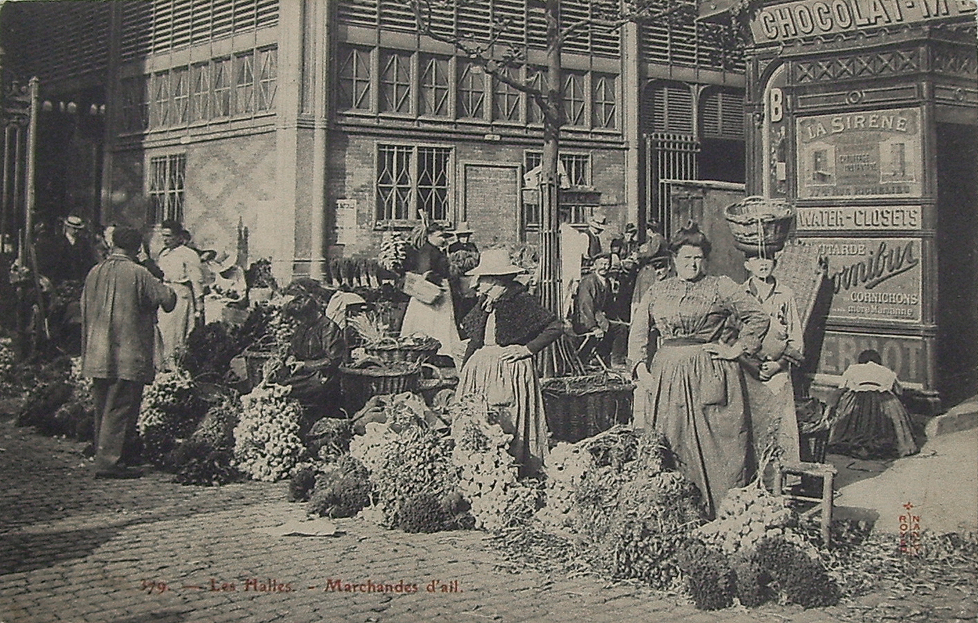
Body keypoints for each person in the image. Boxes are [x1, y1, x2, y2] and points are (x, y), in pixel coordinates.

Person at [628, 222, 770, 519]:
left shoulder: (720, 286)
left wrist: (736, 349)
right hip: (668, 375)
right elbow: (639, 331)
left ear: (704, 259)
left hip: (711, 372)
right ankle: (675, 513)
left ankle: (720, 512)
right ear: (674, 259)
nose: (692, 264)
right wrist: (640, 366)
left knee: (717, 443)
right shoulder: (657, 290)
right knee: (671, 441)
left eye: (697, 259)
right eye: (685, 258)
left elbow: (757, 316)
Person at [457, 249, 564, 476]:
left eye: (482, 278)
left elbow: (555, 327)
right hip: (481, 369)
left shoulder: (521, 301)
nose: (478, 284)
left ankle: (514, 466)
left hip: (509, 370)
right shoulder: (485, 303)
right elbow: (475, 340)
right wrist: (465, 368)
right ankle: (478, 465)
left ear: (495, 279)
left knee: (506, 416)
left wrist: (526, 349)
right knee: (477, 417)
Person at [81, 227, 176, 478]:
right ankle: (109, 463)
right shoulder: (139, 273)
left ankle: (107, 454)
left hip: (98, 349)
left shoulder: (95, 272)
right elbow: (168, 301)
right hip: (127, 351)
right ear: (137, 248)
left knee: (103, 406)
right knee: (122, 406)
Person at [739, 250, 804, 464]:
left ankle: (783, 478)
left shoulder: (785, 295)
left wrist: (779, 364)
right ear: (747, 264)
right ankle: (753, 478)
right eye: (756, 258)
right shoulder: (740, 295)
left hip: (778, 372)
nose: (762, 264)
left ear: (775, 262)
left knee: (781, 424)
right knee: (749, 423)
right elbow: (729, 335)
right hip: (748, 371)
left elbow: (795, 338)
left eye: (767, 258)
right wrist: (749, 364)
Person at [274, 286, 349, 422]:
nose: (297, 322)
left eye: (300, 318)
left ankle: (307, 419)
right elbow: (294, 349)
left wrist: (304, 365)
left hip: (323, 375)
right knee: (280, 384)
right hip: (303, 372)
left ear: (309, 314)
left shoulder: (328, 328)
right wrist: (292, 358)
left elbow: (333, 360)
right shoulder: (303, 327)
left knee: (292, 389)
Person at [828, 350, 919, 459]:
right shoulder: (887, 371)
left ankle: (857, 443)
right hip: (884, 399)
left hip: (858, 398)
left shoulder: (853, 369)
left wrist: (831, 408)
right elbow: (899, 391)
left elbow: (841, 389)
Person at [400, 220, 464, 366]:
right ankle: (433, 352)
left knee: (435, 322)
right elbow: (426, 272)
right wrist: (438, 282)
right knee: (430, 322)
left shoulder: (433, 250)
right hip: (431, 292)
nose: (443, 239)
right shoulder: (427, 251)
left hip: (435, 291)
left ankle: (438, 352)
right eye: (440, 236)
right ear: (429, 236)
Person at [156, 220, 205, 369]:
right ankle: (162, 366)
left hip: (180, 295)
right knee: (163, 331)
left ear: (178, 237)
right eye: (163, 236)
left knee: (177, 332)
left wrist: (199, 305)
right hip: (165, 293)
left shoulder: (188, 254)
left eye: (169, 236)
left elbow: (197, 280)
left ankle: (176, 366)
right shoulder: (163, 254)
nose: (165, 239)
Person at [572, 253, 621, 367]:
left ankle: (602, 357)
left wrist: (616, 318)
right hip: (584, 322)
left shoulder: (606, 282)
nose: (604, 267)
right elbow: (585, 306)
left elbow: (609, 306)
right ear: (595, 265)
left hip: (598, 319)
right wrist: (593, 327)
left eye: (607, 264)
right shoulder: (588, 281)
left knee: (620, 326)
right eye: (601, 264)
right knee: (620, 329)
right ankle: (616, 361)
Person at [47, 215, 98, 284]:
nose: (76, 231)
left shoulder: (84, 243)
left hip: (79, 280)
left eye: (78, 229)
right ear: (68, 227)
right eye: (74, 228)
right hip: (63, 280)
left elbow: (89, 260)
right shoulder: (58, 242)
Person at [559, 209, 589, 318]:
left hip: (566, 270)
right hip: (568, 270)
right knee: (565, 297)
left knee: (564, 297)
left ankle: (561, 319)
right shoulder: (574, 233)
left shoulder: (572, 234)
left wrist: (576, 277)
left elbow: (576, 256)